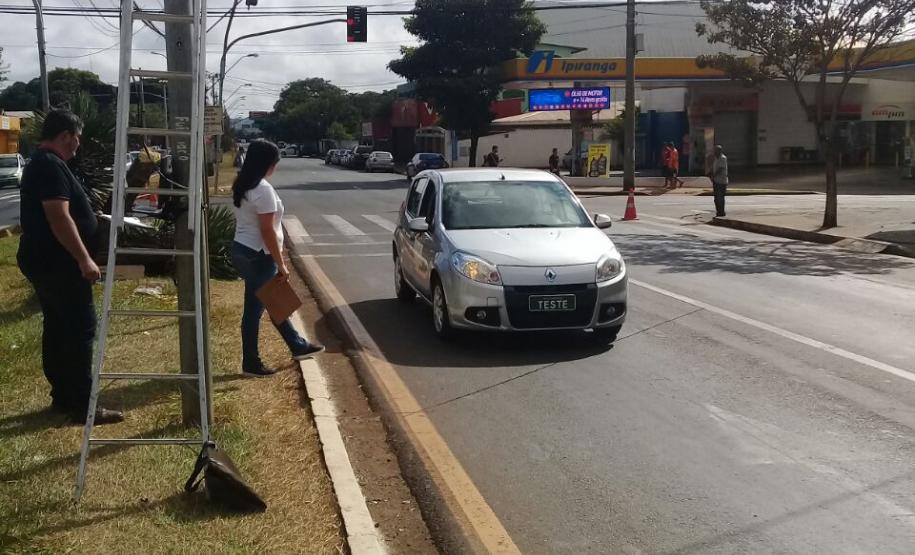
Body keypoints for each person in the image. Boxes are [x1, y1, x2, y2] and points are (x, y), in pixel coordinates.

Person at [17, 110, 124, 425]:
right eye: (77, 137)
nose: (78, 144)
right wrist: (84, 258)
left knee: (58, 328)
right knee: (79, 330)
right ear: (66, 135)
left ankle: (63, 396)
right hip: (60, 264)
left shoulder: (42, 163)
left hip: (44, 260)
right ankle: (80, 404)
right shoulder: (50, 166)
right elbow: (58, 216)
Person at [231, 139, 324, 377]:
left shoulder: (244, 184)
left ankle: (297, 345)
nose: (276, 167)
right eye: (275, 162)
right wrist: (281, 263)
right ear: (267, 164)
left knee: (274, 302)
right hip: (259, 255)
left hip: (242, 249)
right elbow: (267, 230)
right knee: (255, 309)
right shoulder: (263, 190)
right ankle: (251, 363)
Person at [711, 145, 729, 217]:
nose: (714, 152)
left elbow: (720, 169)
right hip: (716, 181)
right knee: (716, 198)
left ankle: (721, 212)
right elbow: (715, 168)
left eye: (716, 150)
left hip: (721, 181)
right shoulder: (716, 158)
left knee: (720, 197)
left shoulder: (723, 158)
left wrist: (713, 176)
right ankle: (718, 212)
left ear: (719, 151)